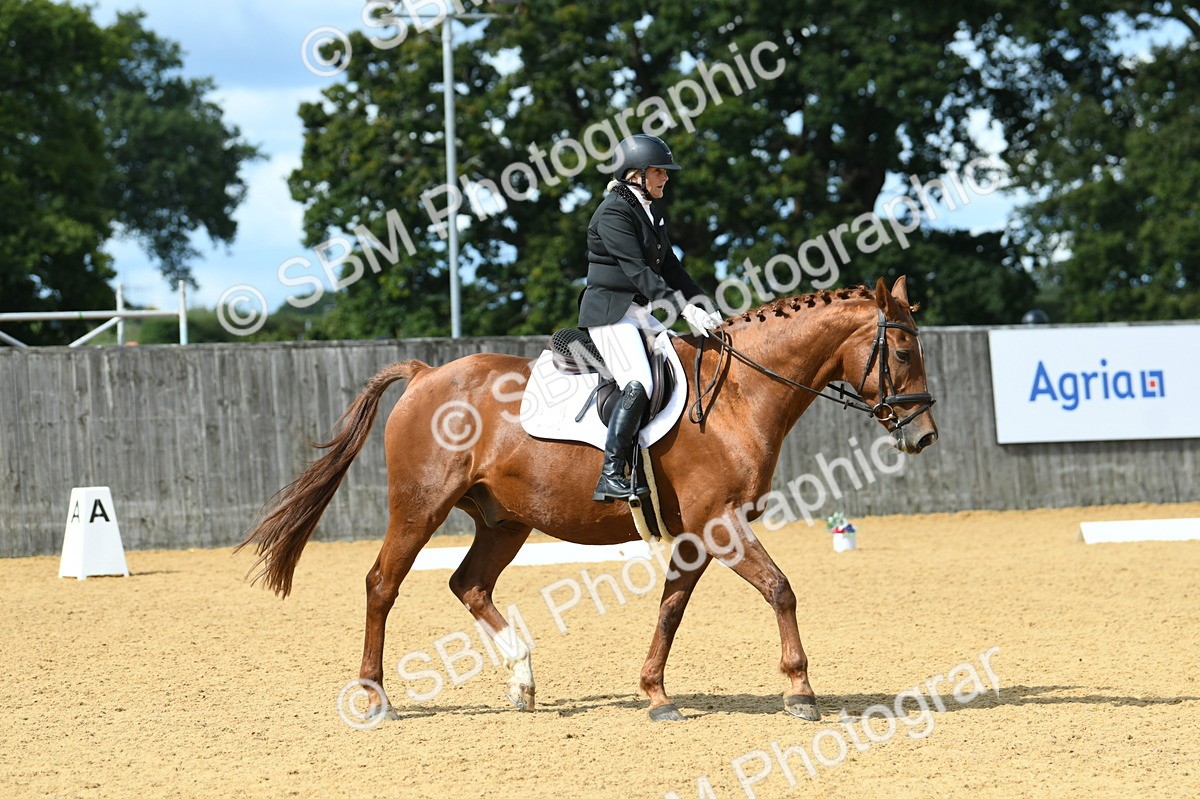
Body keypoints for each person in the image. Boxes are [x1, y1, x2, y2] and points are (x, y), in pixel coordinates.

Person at [579, 134, 722, 503]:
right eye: (659, 171)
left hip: (638, 312)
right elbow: (638, 271)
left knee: (682, 358)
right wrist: (682, 309)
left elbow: (671, 268)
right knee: (639, 380)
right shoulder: (612, 212)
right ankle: (610, 474)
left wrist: (706, 305)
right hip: (610, 314)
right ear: (636, 174)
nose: (666, 178)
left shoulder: (651, 209)